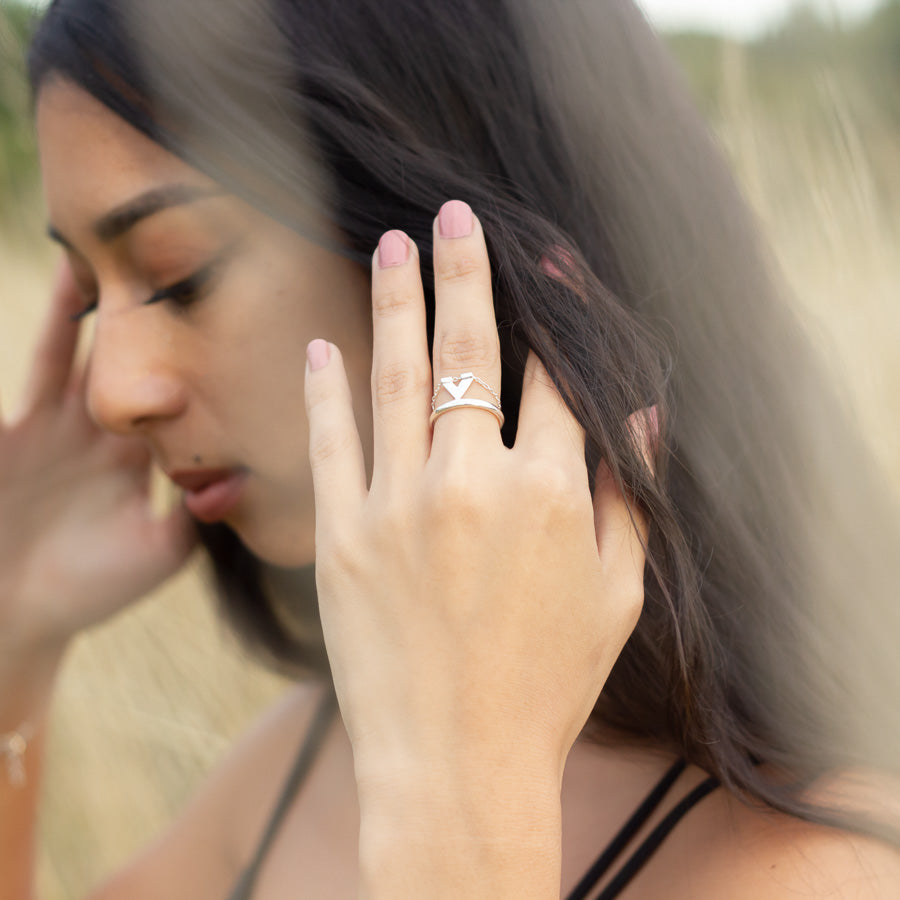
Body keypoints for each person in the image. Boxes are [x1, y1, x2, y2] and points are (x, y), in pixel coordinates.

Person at [3, 0, 900, 897]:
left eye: (175, 274)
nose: (112, 390)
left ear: (458, 236)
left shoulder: (822, 867)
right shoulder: (303, 759)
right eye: (87, 294)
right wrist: (14, 639)